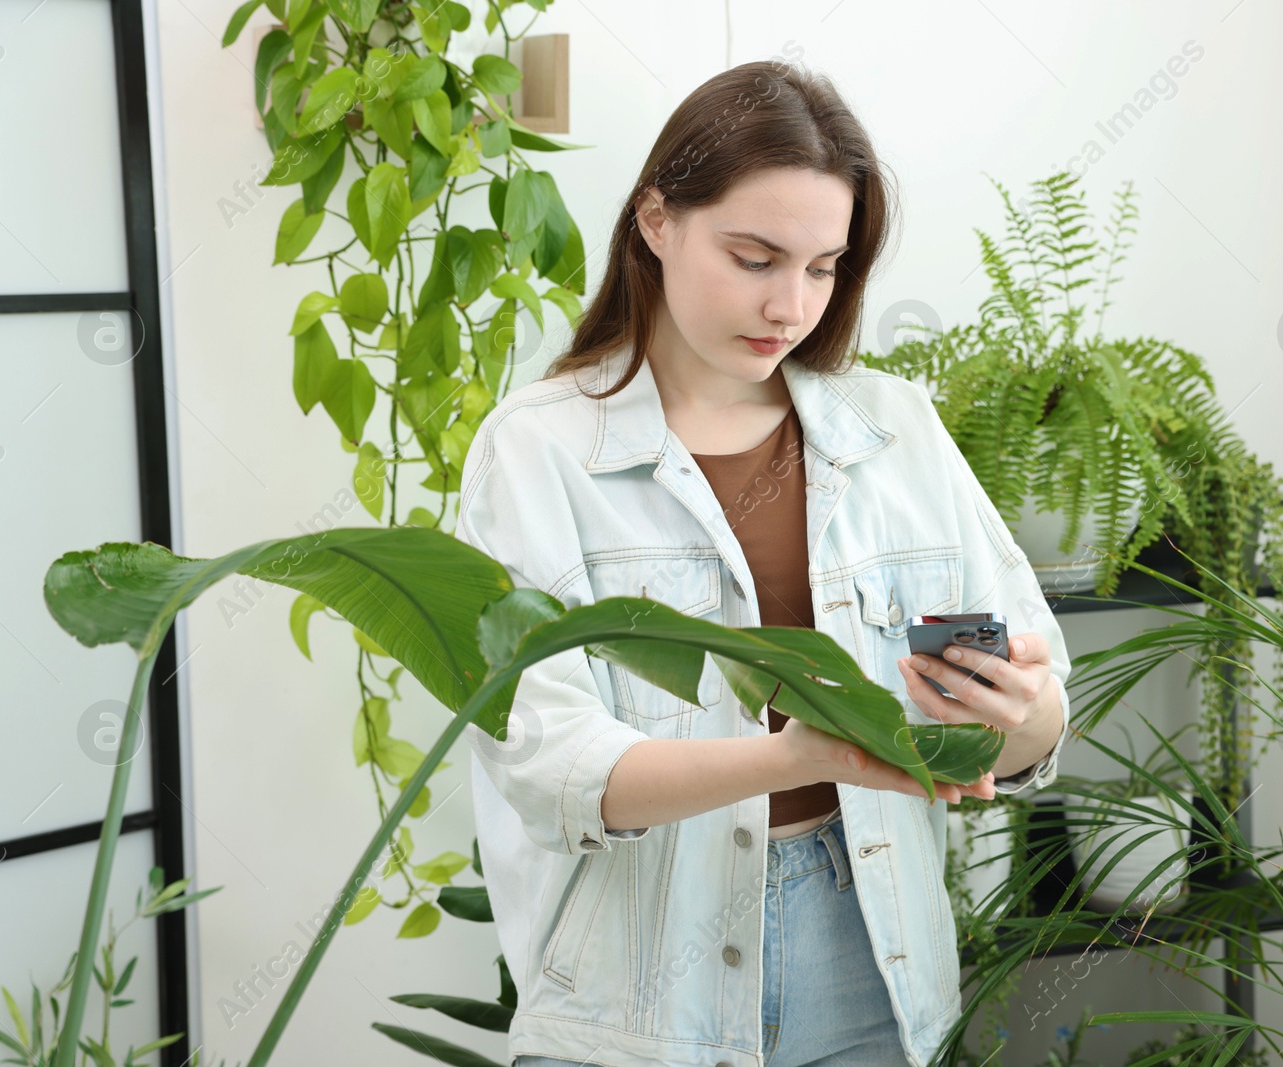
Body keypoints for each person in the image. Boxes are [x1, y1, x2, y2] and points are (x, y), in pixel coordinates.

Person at [453, 58, 1071, 1067]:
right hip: (636, 985)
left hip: (871, 949)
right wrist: (793, 759)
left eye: (824, 267)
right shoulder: (538, 449)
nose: (792, 305)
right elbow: (551, 764)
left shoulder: (895, 427)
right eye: (755, 257)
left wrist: (1018, 715)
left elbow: (1034, 718)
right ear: (655, 219)